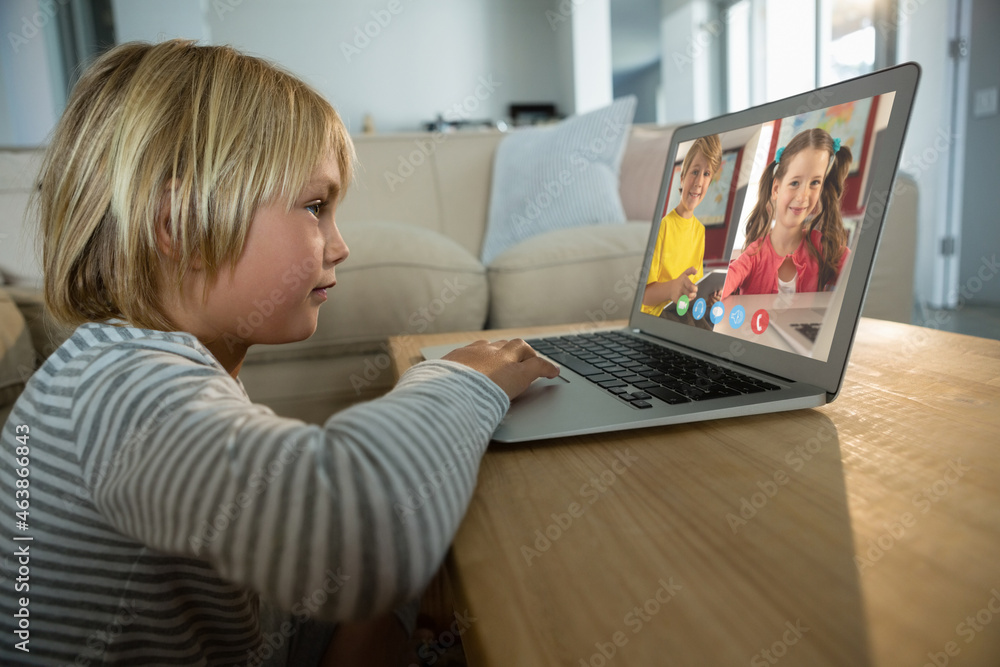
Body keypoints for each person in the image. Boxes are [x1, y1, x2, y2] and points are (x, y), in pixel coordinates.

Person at [0, 40, 558, 666]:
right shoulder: (121, 387)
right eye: (316, 207)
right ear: (180, 222)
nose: (339, 245)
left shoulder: (127, 364)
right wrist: (459, 381)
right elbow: (361, 537)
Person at [720, 128, 852, 299]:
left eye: (815, 182)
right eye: (795, 183)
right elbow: (725, 282)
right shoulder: (754, 256)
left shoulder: (823, 248)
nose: (803, 196)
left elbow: (858, 275)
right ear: (776, 189)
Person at [641, 134, 722, 316]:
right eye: (695, 172)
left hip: (683, 315)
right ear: (682, 177)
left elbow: (694, 289)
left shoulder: (700, 231)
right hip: (658, 318)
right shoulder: (663, 227)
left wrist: (707, 299)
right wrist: (672, 288)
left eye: (706, 174)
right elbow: (644, 295)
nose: (699, 182)